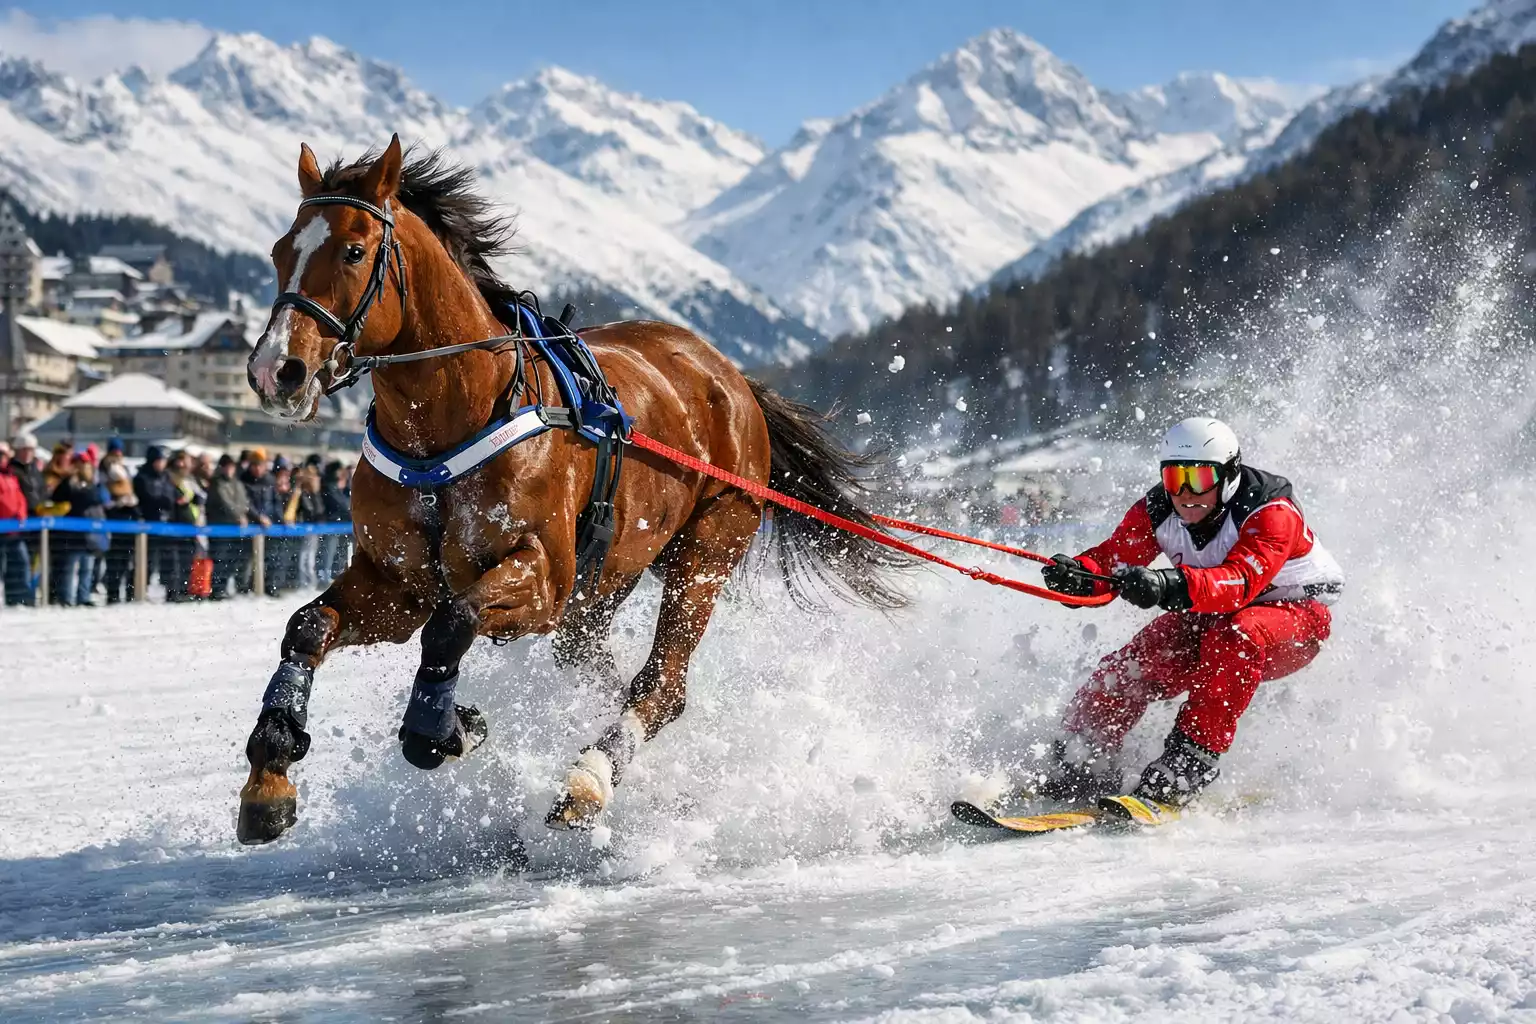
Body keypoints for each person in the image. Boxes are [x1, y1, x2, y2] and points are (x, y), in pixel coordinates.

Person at [1037, 418, 1345, 811]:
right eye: (1174, 477)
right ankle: (1081, 756)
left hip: (1295, 619)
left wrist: (1166, 585)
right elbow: (1113, 559)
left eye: (1198, 478)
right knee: (1136, 663)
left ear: (1229, 475)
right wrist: (1081, 576)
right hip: (1209, 612)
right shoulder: (1158, 508)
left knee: (1237, 635)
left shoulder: (1270, 512)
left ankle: (1188, 765)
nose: (1185, 493)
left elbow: (1240, 582)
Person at [49, 450, 107, 607]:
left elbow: (99, 498)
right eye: (79, 464)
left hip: (89, 533)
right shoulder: (67, 483)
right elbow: (59, 497)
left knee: (87, 567)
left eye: (85, 464)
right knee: (68, 568)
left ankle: (83, 596)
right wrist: (70, 481)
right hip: (71, 532)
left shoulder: (93, 484)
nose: (82, 467)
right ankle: (65, 597)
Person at [134, 446, 179, 601]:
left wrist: (182, 500)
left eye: (163, 461)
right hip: (150, 524)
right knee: (147, 561)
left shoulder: (166, 477)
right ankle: (140, 590)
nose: (161, 464)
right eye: (159, 461)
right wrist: (165, 501)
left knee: (170, 560)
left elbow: (174, 493)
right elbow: (147, 498)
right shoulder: (142, 477)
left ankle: (172, 591)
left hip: (167, 525)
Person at [100, 439, 140, 604]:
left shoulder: (123, 469)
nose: (117, 454)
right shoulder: (105, 469)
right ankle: (113, 593)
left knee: (126, 559)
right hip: (114, 517)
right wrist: (115, 502)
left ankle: (127, 593)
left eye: (119, 451)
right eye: (115, 451)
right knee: (115, 560)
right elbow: (104, 492)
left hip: (127, 517)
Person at [205, 454, 251, 599]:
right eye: (226, 466)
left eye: (231, 466)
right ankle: (217, 589)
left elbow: (244, 501)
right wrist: (238, 515)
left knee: (231, 560)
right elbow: (225, 503)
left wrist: (242, 513)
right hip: (220, 527)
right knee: (220, 559)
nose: (229, 469)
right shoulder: (216, 483)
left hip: (234, 529)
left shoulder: (237, 483)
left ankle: (224, 587)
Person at [166, 450, 203, 601]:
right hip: (176, 525)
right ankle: (174, 591)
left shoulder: (190, 479)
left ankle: (184, 589)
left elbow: (199, 497)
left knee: (187, 561)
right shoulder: (170, 478)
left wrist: (192, 498)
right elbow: (173, 498)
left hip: (191, 525)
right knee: (175, 562)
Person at [242, 449, 279, 596]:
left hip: (270, 525)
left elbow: (275, 501)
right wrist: (259, 517)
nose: (257, 468)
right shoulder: (244, 480)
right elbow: (246, 503)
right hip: (253, 525)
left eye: (260, 465)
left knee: (271, 557)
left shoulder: (270, 480)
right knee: (249, 559)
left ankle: (270, 586)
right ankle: (246, 587)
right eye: (254, 465)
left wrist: (278, 519)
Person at [0, 441, 31, 606]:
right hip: (2, 529)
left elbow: (19, 498)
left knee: (21, 563)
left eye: (3, 455)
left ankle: (20, 598)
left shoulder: (11, 476)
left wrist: (20, 513)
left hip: (13, 531)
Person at [318, 460, 352, 585]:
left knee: (340, 552)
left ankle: (337, 575)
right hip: (332, 524)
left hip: (342, 524)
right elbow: (341, 504)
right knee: (329, 552)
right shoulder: (329, 485)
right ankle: (325, 578)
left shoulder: (337, 485)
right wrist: (351, 510)